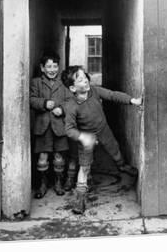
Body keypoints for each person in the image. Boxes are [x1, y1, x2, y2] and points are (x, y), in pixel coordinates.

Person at [61, 65, 143, 214]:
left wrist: (132, 101)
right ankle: (80, 199)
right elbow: (69, 130)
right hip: (86, 136)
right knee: (84, 167)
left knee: (114, 149)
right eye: (80, 80)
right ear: (73, 88)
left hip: (103, 129)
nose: (85, 81)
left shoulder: (95, 91)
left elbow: (112, 95)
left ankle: (122, 166)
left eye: (85, 77)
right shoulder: (71, 106)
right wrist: (83, 137)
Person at [30, 52, 72, 198]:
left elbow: (71, 101)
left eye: (55, 66)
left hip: (59, 126)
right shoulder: (36, 82)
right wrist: (43, 103)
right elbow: (31, 99)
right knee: (42, 158)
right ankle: (42, 185)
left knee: (59, 157)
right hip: (43, 127)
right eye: (48, 66)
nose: (52, 69)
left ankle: (58, 183)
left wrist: (62, 109)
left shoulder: (64, 82)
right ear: (42, 68)